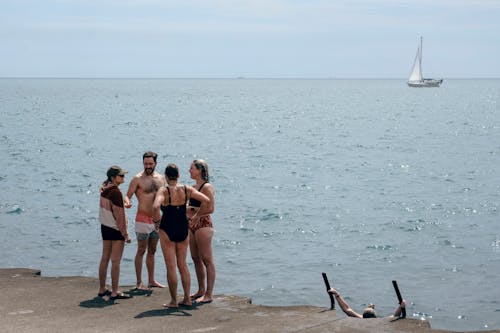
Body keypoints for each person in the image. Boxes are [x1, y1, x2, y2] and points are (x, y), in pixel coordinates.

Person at [152, 163, 210, 308]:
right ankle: (187, 299)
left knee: (171, 266)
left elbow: (155, 207)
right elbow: (206, 200)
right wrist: (195, 216)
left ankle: (173, 301)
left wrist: (157, 222)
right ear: (178, 176)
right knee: (183, 265)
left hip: (167, 228)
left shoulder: (163, 191)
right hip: (183, 227)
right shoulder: (187, 189)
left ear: (165, 176)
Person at [124, 151, 165, 290]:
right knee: (141, 250)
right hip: (142, 219)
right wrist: (127, 202)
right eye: (145, 163)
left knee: (152, 251)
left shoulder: (160, 179)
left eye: (150, 164)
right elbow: (127, 195)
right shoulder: (137, 179)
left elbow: (164, 198)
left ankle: (152, 280)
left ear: (155, 163)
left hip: (157, 220)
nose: (148, 166)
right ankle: (139, 282)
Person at [98, 165, 132, 300]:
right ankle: (115, 291)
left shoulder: (104, 189)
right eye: (121, 176)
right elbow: (120, 216)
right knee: (116, 261)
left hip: (105, 227)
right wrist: (126, 234)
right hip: (116, 229)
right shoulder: (116, 192)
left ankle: (102, 288)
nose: (123, 177)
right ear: (113, 177)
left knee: (104, 258)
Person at [187, 159, 216, 304]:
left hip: (203, 224)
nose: (189, 171)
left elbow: (211, 208)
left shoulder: (206, 187)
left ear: (200, 170)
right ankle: (200, 290)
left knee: (207, 259)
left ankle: (209, 293)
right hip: (191, 225)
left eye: (192, 168)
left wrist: (196, 216)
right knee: (195, 258)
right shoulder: (193, 187)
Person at [328, 288, 406, 318]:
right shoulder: (379, 321)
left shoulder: (361, 318)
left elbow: (347, 309)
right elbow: (396, 315)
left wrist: (337, 294)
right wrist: (401, 306)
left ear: (363, 316)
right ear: (375, 316)